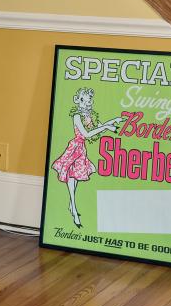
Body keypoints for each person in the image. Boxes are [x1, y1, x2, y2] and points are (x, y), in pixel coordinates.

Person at [50, 88, 124, 228]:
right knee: (70, 178)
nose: (88, 102)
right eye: (85, 100)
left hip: (82, 149)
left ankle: (72, 207)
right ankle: (74, 209)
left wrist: (113, 121)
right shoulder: (77, 116)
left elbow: (99, 127)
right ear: (79, 101)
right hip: (75, 147)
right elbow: (87, 134)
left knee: (76, 178)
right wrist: (107, 127)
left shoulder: (90, 115)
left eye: (90, 100)